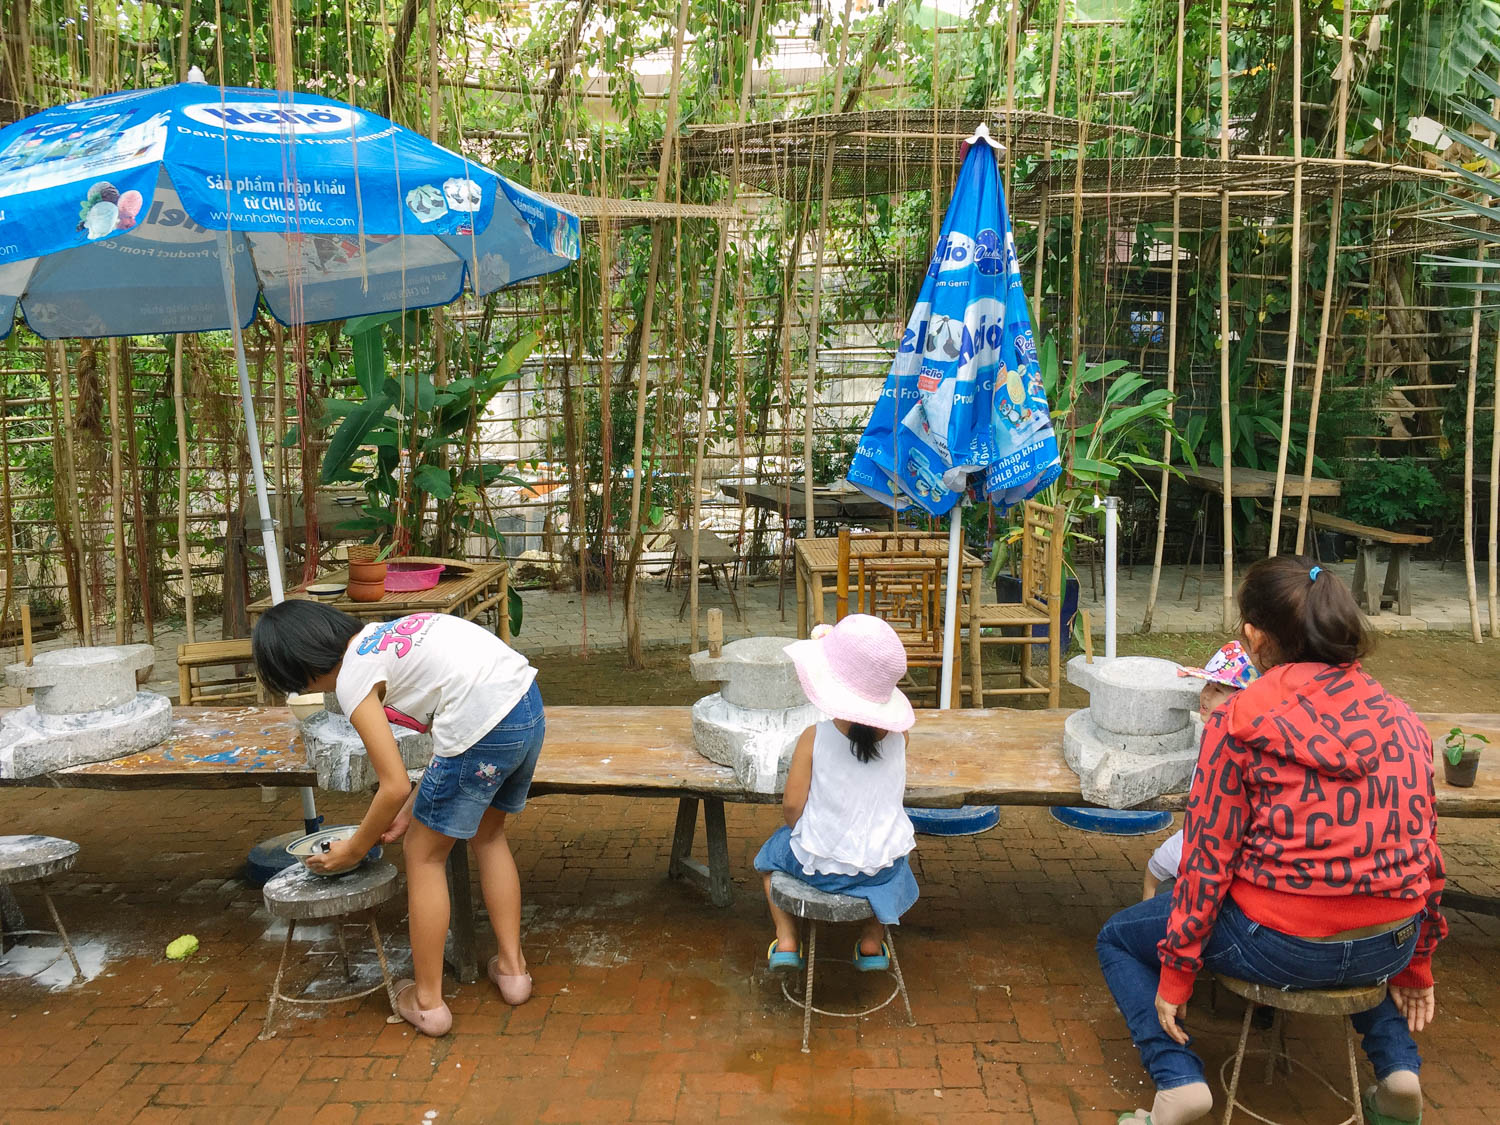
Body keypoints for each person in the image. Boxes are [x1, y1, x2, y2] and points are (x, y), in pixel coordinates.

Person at [1097, 558, 1446, 1125]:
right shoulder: (1403, 719)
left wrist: (1177, 972)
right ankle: (1398, 1071)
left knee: (1118, 938)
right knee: (1362, 918)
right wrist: (1418, 961)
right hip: (1390, 938)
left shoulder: (1238, 719)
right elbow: (1425, 855)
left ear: (1255, 637)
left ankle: (1178, 1083)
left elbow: (1208, 861)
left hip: (1279, 942)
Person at [252, 601, 545, 1037]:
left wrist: (353, 850)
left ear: (300, 669)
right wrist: (412, 810)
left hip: (481, 728)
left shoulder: (352, 678)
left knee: (423, 855)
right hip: (526, 707)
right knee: (488, 834)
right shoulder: (383, 635)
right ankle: (514, 971)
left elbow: (393, 786)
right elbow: (453, 732)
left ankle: (428, 1003)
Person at [754, 614, 919, 972]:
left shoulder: (814, 738)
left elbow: (793, 806)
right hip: (879, 870)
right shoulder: (900, 739)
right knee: (901, 868)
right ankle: (871, 944)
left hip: (820, 869)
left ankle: (786, 940)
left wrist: (808, 835)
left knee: (769, 859)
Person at [1141, 641, 1258, 902]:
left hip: (1213, 845)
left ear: (1240, 698)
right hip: (1233, 846)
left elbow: (1207, 818)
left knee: (1153, 871)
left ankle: (1154, 929)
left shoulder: (1220, 743)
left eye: (1217, 689)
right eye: (1206, 685)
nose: (1205, 695)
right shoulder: (1247, 732)